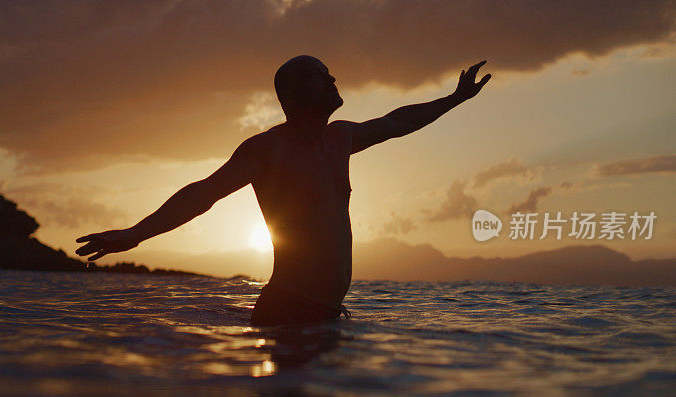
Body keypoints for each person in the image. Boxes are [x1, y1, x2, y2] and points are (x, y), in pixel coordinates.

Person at [76, 55, 491, 326]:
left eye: (329, 72)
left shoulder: (340, 138)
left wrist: (454, 99)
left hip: (328, 317)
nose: (330, 78)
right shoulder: (266, 150)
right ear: (291, 94)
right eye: (317, 75)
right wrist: (134, 234)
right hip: (287, 313)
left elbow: (396, 122)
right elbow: (203, 194)